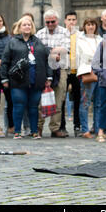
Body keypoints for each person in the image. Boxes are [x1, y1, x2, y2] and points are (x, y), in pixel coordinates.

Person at [1, 16, 52, 139]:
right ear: (19, 27)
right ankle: (17, 131)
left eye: (29, 24)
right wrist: (4, 78)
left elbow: (47, 60)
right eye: (24, 24)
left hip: (36, 79)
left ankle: (34, 131)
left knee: (34, 107)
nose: (27, 26)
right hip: (18, 80)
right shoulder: (12, 42)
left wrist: (49, 77)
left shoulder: (38, 42)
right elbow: (5, 61)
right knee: (18, 105)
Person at [36, 9, 70, 138]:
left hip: (60, 69)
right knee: (41, 100)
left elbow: (65, 49)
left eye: (53, 21)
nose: (50, 24)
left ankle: (55, 128)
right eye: (48, 22)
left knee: (59, 99)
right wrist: (53, 53)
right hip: (43, 69)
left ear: (57, 20)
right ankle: (38, 127)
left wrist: (47, 52)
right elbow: (37, 51)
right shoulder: (39, 33)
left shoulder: (64, 32)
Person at [76, 18, 103, 138]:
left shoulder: (100, 39)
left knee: (98, 103)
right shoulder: (80, 39)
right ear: (84, 26)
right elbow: (77, 57)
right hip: (87, 71)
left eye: (92, 25)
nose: (90, 27)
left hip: (100, 72)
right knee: (85, 102)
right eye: (88, 25)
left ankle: (97, 128)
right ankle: (85, 129)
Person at [63, 11, 81, 136]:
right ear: (65, 21)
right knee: (62, 99)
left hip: (77, 71)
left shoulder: (80, 35)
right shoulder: (61, 34)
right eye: (69, 19)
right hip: (64, 70)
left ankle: (77, 125)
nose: (71, 22)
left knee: (78, 99)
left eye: (73, 20)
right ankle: (62, 126)